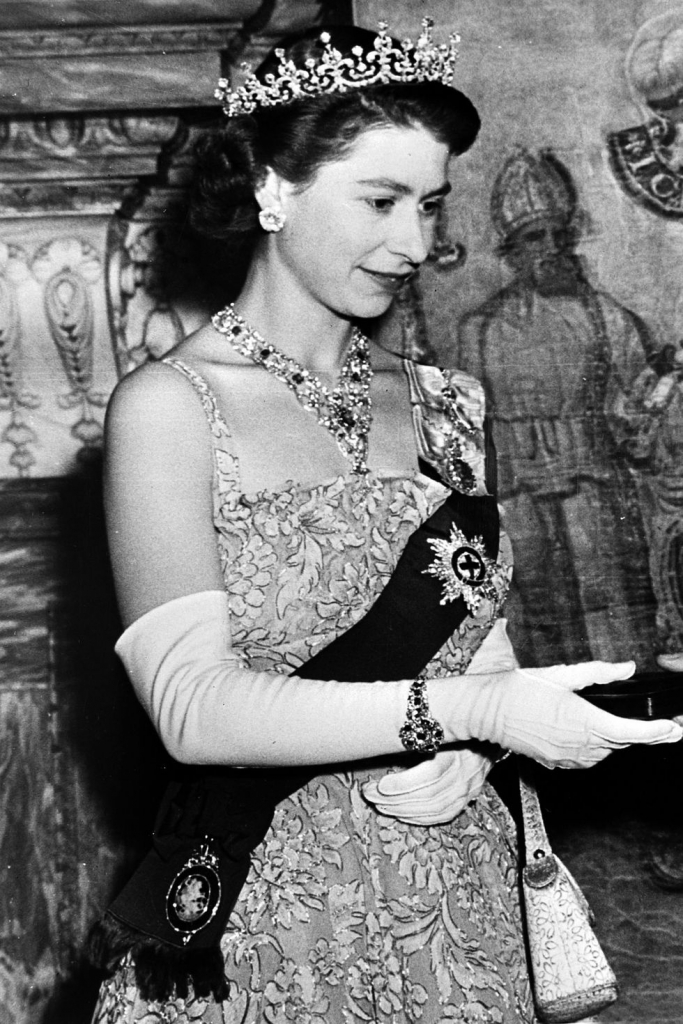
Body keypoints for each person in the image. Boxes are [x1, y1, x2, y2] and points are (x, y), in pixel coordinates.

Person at [88, 21, 683, 1024]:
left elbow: (478, 652)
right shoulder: (171, 406)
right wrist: (474, 715)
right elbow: (192, 709)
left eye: (430, 203)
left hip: (458, 895)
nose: (416, 244)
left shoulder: (446, 404)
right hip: (271, 906)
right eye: (379, 200)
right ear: (272, 188)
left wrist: (479, 748)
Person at [458, 147, 669, 669]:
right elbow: (467, 428)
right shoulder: (480, 329)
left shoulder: (607, 316)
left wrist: (659, 389)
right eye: (536, 237)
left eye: (559, 234)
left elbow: (638, 408)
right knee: (540, 617)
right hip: (519, 496)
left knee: (613, 608)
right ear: (513, 251)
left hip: (594, 489)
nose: (552, 247)